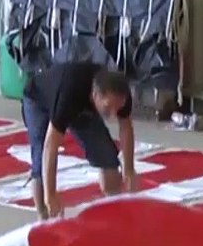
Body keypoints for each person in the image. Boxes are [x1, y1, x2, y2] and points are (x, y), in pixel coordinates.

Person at [21, 61, 139, 220]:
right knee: (40, 160)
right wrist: (51, 194)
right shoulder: (68, 94)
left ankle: (114, 211)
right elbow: (51, 145)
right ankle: (44, 218)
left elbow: (125, 127)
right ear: (96, 96)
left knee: (107, 156)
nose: (113, 114)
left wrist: (129, 169)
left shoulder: (120, 93)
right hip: (38, 100)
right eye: (108, 108)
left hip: (82, 106)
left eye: (117, 109)